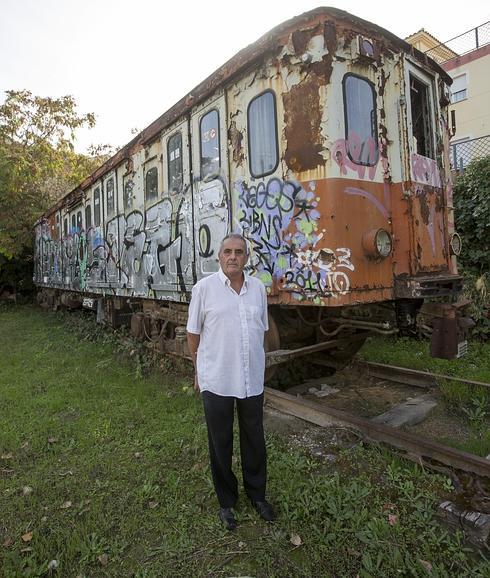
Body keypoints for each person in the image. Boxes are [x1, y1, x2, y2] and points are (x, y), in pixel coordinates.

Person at [186, 233, 275, 530]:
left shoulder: (258, 289)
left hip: (250, 379)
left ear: (246, 258)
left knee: (254, 439)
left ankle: (257, 496)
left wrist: (258, 363)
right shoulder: (204, 289)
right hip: (217, 378)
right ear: (219, 257)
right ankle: (227, 502)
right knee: (220, 442)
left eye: (239, 252)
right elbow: (193, 333)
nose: (233, 257)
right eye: (227, 252)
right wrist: (199, 369)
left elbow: (261, 329)